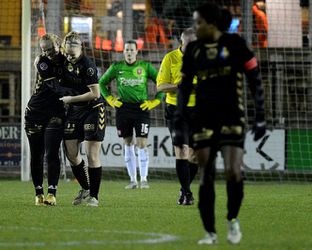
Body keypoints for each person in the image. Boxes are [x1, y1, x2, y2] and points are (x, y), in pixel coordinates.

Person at [175, 3, 266, 245]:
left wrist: (261, 116)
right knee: (206, 173)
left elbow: (255, 78)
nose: (196, 27)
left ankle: (232, 219)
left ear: (211, 24)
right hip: (203, 118)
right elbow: (184, 86)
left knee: (233, 171)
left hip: (232, 116)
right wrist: (182, 116)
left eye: (199, 23)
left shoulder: (235, 44)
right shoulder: (193, 49)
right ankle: (210, 232)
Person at [99, 40, 164, 189]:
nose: (129, 52)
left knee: (141, 143)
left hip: (141, 108)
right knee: (128, 143)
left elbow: (161, 83)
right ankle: (133, 180)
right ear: (123, 52)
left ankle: (144, 179)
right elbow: (102, 83)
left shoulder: (145, 66)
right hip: (123, 109)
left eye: (131, 50)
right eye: (126, 50)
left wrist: (155, 101)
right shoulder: (117, 67)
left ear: (136, 51)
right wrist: (110, 99)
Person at [59, 31, 105, 207]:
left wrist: (70, 99)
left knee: (91, 154)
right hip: (74, 111)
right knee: (71, 154)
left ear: (80, 48)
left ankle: (94, 196)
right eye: (68, 50)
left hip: (93, 109)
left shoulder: (87, 64)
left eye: (74, 50)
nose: (70, 54)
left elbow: (95, 93)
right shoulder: (62, 62)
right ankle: (85, 187)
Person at [156, 28, 198, 206]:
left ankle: (183, 188)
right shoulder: (170, 58)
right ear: (181, 41)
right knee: (181, 151)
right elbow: (160, 86)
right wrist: (179, 86)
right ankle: (187, 193)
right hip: (176, 110)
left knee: (195, 156)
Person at [24, 33, 65, 206]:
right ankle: (38, 193)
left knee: (52, 153)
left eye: (51, 49)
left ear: (58, 44)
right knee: (37, 153)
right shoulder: (41, 61)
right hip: (36, 111)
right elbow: (55, 87)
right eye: (44, 50)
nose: (48, 53)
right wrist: (77, 95)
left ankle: (52, 194)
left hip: (56, 112)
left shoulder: (67, 60)